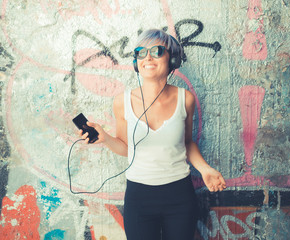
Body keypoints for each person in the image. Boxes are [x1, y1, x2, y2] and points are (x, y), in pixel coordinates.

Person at [79, 29, 226, 240]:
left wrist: (205, 169)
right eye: (140, 52)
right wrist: (105, 138)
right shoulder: (122, 102)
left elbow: (187, 143)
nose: (147, 57)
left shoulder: (186, 99)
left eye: (157, 51)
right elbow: (125, 148)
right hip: (139, 197)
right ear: (135, 62)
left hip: (179, 195)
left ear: (172, 59)